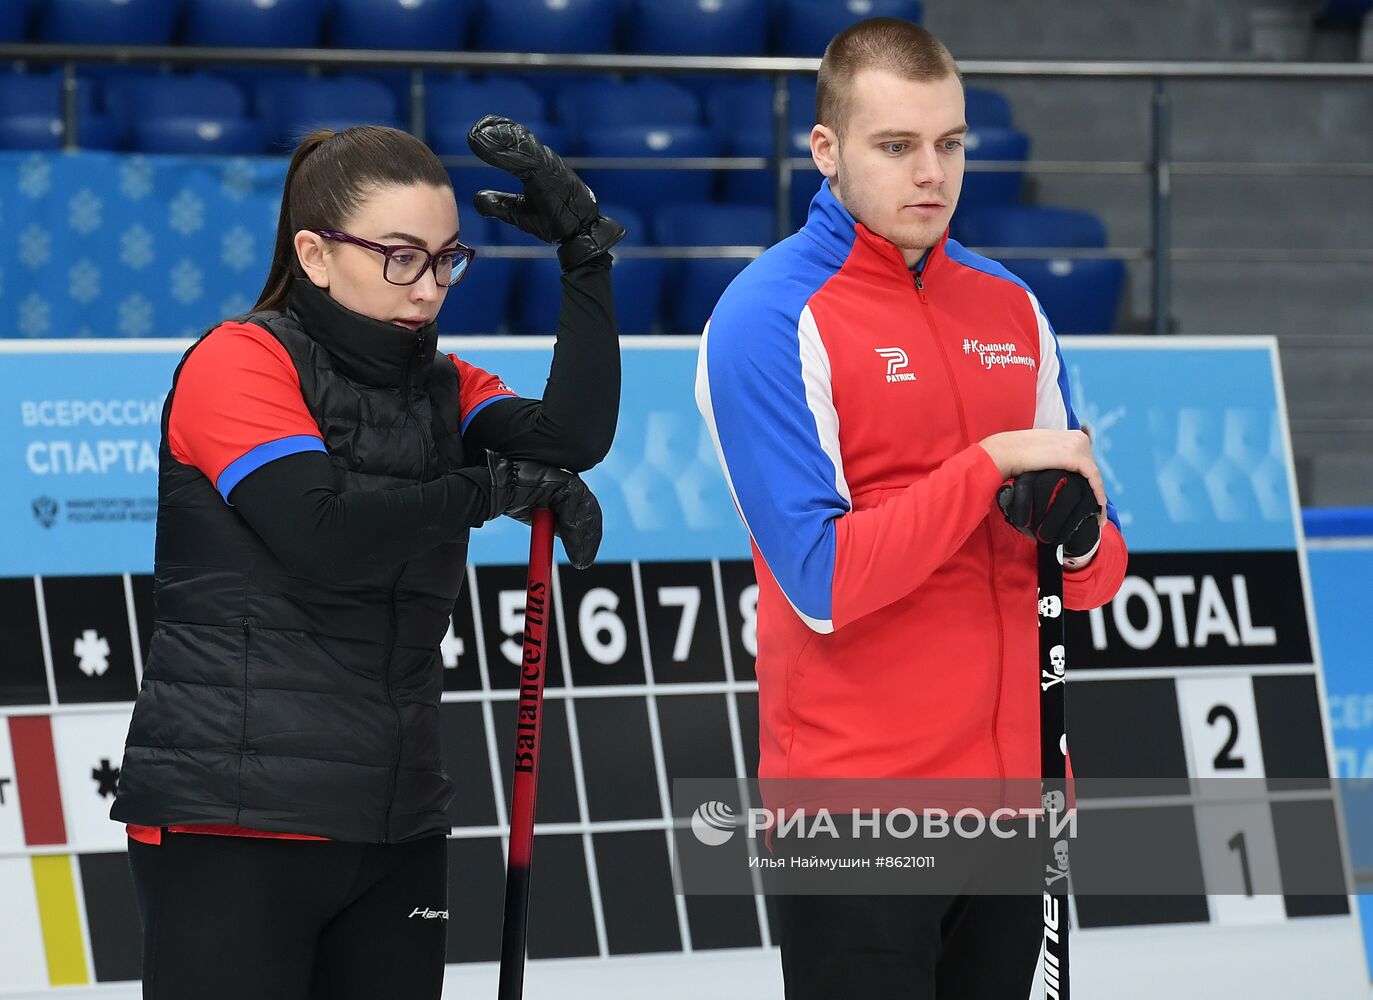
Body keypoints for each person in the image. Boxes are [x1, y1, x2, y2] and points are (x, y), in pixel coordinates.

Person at [110, 117, 623, 999]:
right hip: (235, 823)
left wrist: (583, 256)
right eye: (398, 255)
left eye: (446, 258)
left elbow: (571, 437)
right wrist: (488, 490)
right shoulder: (239, 362)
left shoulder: (445, 384)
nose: (427, 286)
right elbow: (320, 535)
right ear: (314, 254)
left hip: (396, 823)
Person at [695, 18, 1128, 999]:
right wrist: (982, 469)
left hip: (1009, 800)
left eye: (949, 144)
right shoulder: (767, 316)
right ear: (826, 149)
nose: (929, 173)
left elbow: (1098, 574)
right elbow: (821, 583)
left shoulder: (1010, 308)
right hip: (855, 809)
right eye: (894, 146)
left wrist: (1078, 531)